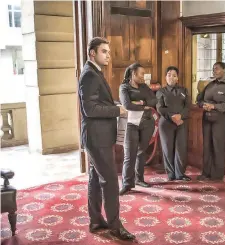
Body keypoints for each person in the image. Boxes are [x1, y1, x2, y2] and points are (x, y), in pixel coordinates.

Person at [78, 37, 134, 240]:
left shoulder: (94, 72)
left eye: (109, 51)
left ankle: (95, 220)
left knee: (95, 179)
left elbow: (96, 103)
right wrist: (117, 111)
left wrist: (114, 107)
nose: (108, 55)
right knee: (110, 181)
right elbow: (89, 108)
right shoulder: (89, 75)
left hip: (97, 136)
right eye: (104, 51)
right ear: (92, 53)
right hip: (97, 137)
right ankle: (115, 227)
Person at [196, 62, 225, 181]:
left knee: (217, 147)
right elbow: (198, 99)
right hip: (207, 119)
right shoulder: (209, 85)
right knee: (206, 146)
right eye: (213, 69)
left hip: (221, 120)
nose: (214, 71)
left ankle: (217, 175)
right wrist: (203, 105)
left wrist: (214, 107)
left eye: (217, 69)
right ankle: (205, 173)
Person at [119, 63, 157, 195]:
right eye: (141, 73)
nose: (143, 76)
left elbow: (154, 100)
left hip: (147, 123)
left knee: (141, 152)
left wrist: (141, 102)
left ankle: (139, 179)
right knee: (129, 155)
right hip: (131, 124)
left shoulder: (144, 87)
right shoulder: (124, 87)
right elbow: (127, 104)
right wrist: (144, 105)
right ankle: (126, 183)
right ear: (133, 74)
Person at [156, 66, 191, 181]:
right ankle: (171, 174)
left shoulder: (184, 90)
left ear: (177, 78)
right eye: (169, 74)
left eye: (174, 75)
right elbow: (160, 108)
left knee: (181, 149)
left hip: (181, 122)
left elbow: (187, 106)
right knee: (168, 149)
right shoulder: (161, 91)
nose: (171, 77)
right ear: (165, 77)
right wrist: (172, 117)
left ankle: (180, 174)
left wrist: (180, 116)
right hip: (166, 123)